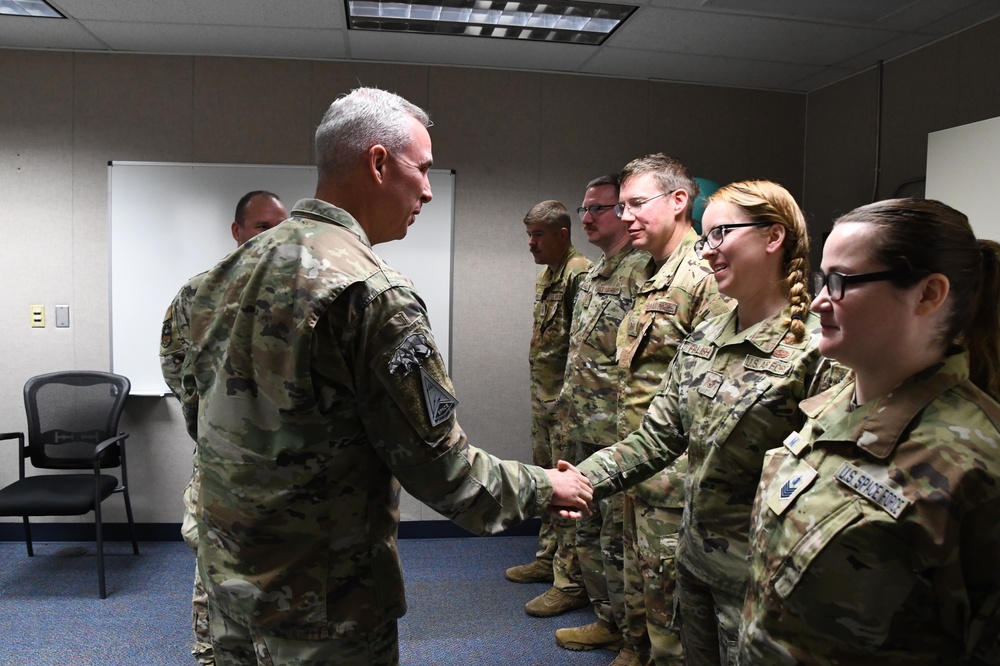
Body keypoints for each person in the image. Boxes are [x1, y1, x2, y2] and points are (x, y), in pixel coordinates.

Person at [164, 86, 592, 666]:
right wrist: (548, 487)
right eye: (424, 168)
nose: (430, 190)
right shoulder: (371, 294)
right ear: (378, 162)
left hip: (223, 582)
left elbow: (193, 403)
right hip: (323, 603)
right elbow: (442, 469)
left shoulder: (207, 283)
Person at [565, 180, 845, 665]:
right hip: (695, 567)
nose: (708, 251)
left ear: (773, 237)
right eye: (705, 238)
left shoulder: (820, 349)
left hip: (764, 583)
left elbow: (830, 490)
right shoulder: (707, 337)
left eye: (721, 235)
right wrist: (578, 481)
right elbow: (656, 437)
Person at [739, 198, 1000, 665]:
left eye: (840, 282)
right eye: (822, 279)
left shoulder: (975, 463)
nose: (818, 300)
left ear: (927, 294)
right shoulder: (834, 406)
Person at [563, 154, 731, 666]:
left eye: (637, 204)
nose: (626, 215)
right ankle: (633, 648)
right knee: (640, 586)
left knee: (673, 612)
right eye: (624, 205)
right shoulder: (655, 274)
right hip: (638, 463)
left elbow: (714, 391)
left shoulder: (703, 278)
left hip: (675, 478)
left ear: (680, 201)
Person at [160, 189, 288, 666]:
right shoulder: (200, 292)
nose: (274, 236)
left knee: (279, 583)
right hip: (221, 470)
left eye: (282, 226)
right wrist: (212, 428)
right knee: (214, 575)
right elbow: (176, 366)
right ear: (237, 232)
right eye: (261, 226)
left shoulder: (302, 294)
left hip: (286, 473)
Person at [533, 177, 655, 628]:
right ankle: (601, 612)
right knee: (585, 526)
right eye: (585, 209)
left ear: (623, 212)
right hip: (579, 419)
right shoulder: (596, 273)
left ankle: (626, 628)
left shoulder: (645, 271)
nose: (587, 218)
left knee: (615, 535)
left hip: (618, 429)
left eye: (598, 209)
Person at [504, 201, 591, 587]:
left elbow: (582, 347)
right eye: (529, 235)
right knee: (544, 481)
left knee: (566, 487)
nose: (531, 244)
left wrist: (568, 405)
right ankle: (547, 557)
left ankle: (567, 579)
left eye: (538, 235)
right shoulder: (549, 275)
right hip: (544, 400)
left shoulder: (579, 274)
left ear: (562, 235)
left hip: (566, 406)